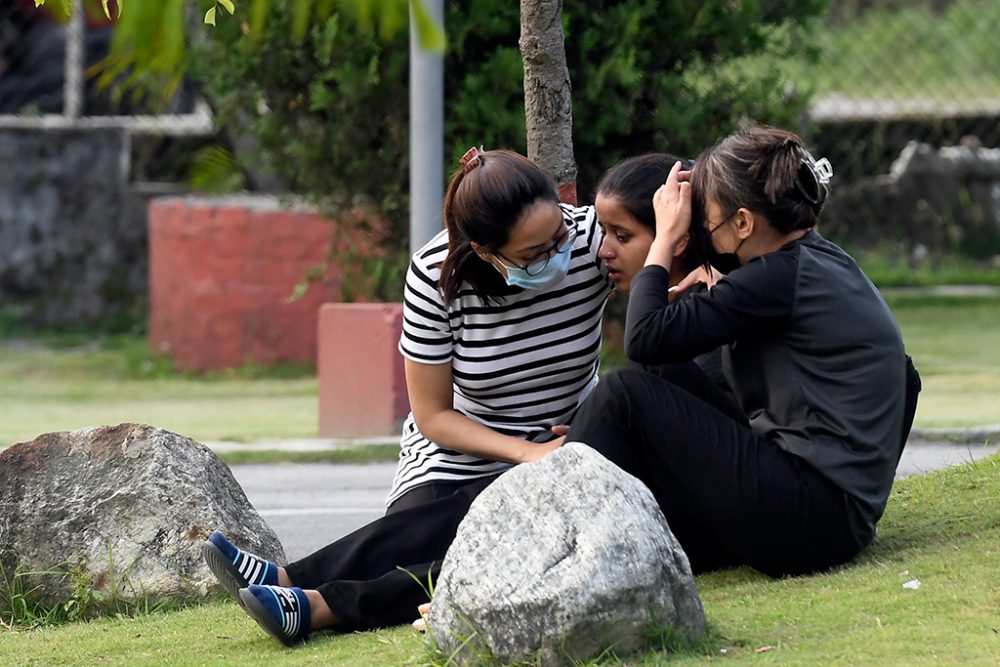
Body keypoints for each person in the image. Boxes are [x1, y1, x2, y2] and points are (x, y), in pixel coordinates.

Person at [202, 146, 615, 645]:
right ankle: (296, 589)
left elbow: (666, 242)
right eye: (533, 254)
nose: (556, 257)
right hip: (457, 453)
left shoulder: (593, 238)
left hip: (562, 447)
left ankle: (307, 598)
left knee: (493, 542)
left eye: (558, 238)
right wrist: (527, 454)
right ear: (484, 250)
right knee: (436, 530)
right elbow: (434, 415)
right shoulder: (434, 273)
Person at [566, 126, 919, 577]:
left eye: (707, 221)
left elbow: (642, 337)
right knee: (658, 371)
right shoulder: (818, 262)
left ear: (744, 223)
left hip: (810, 519)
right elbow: (908, 379)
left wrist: (663, 240)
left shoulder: (775, 278)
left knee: (622, 394)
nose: (700, 234)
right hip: (830, 517)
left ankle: (553, 544)